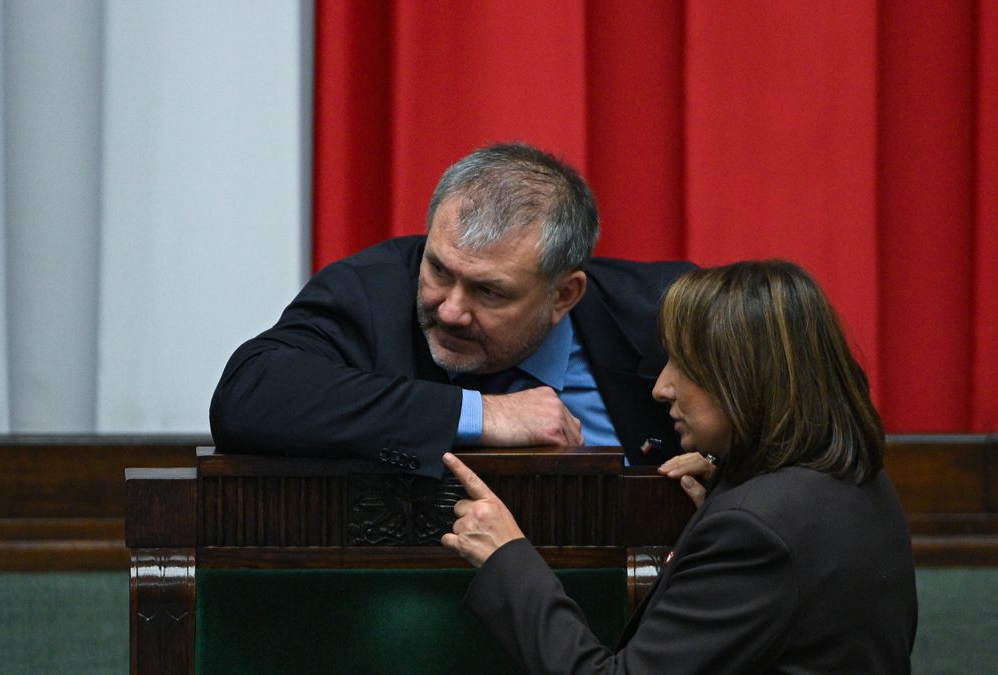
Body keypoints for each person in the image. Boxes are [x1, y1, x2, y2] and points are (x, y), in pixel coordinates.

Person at [442, 260, 918, 673]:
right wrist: (729, 491)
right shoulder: (854, 477)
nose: (661, 388)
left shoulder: (756, 530)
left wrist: (506, 556)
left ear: (743, 381)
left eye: (682, 365)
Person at [210, 143, 695, 477]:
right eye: (440, 270)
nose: (451, 311)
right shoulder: (370, 292)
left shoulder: (670, 313)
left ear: (564, 296)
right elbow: (248, 395)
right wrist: (480, 414)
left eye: (489, 292)